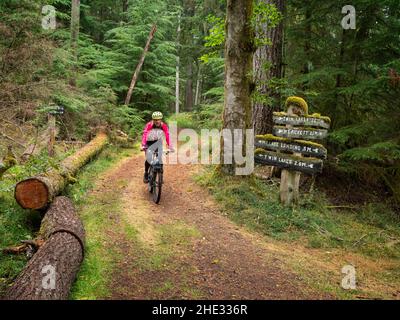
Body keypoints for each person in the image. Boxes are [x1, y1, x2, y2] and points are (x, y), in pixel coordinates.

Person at [141, 111, 173, 183]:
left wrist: (170, 146)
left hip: (158, 142)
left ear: (161, 119)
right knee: (149, 158)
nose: (157, 121)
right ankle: (146, 173)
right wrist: (143, 145)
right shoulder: (149, 125)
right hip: (149, 142)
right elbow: (145, 134)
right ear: (153, 120)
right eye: (155, 120)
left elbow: (167, 135)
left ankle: (160, 176)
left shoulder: (163, 126)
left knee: (159, 158)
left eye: (158, 119)